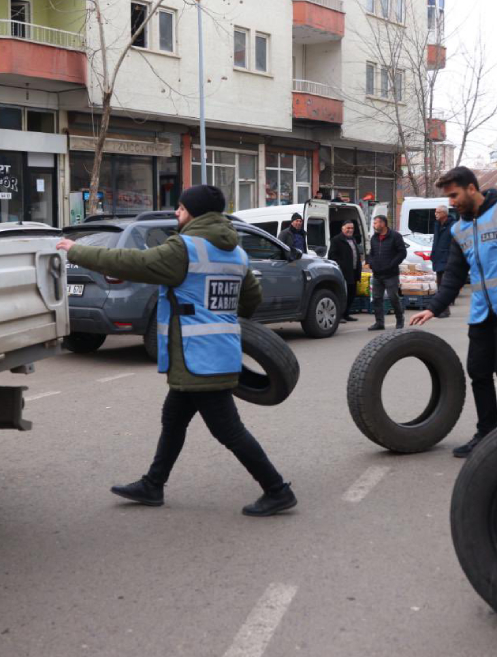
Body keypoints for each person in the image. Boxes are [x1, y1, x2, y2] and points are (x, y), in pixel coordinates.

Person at [54, 185, 297, 517]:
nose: (176, 215)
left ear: (194, 213)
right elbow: (250, 301)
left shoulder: (185, 249)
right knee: (173, 419)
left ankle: (277, 489)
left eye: (181, 209)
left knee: (228, 430)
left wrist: (76, 250)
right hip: (216, 353)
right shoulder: (236, 253)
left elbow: (131, 262)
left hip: (198, 357)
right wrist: (218, 313)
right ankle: (153, 484)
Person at [407, 166, 497, 458]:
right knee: (478, 370)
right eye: (448, 197)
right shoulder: (459, 228)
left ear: (471, 189)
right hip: (483, 311)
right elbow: (453, 274)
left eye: (454, 195)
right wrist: (434, 308)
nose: (451, 202)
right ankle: (486, 433)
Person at [367, 215, 407, 331]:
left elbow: (402, 253)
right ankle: (379, 322)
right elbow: (372, 253)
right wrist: (371, 262)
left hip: (391, 274)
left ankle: (399, 320)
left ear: (383, 224)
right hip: (377, 274)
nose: (374, 225)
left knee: (393, 297)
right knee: (376, 298)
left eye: (376, 223)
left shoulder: (395, 236)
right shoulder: (374, 238)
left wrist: (392, 264)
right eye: (374, 223)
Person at [327, 220, 363, 323]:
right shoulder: (336, 240)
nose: (350, 230)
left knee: (352, 294)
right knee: (343, 294)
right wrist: (342, 265)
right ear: (342, 228)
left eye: (352, 228)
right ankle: (340, 316)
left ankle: (346, 314)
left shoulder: (353, 239)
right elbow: (332, 256)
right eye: (348, 228)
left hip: (354, 271)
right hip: (344, 272)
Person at [430, 205, 453, 318]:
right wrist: (433, 255)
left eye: (438, 212)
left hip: (447, 259)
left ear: (444, 213)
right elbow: (436, 242)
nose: (436, 214)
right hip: (438, 258)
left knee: (444, 286)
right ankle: (443, 308)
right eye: (435, 212)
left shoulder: (452, 226)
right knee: (440, 286)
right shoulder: (437, 225)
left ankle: (445, 310)